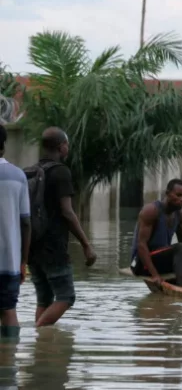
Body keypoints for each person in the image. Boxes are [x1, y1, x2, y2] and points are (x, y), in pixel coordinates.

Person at [26, 127, 97, 327]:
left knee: (44, 299)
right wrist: (86, 245)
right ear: (61, 146)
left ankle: (41, 344)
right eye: (67, 144)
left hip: (32, 245)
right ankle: (39, 330)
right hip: (54, 246)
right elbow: (67, 211)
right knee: (66, 297)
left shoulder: (30, 171)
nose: (68, 148)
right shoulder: (60, 172)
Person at [129, 178, 182, 287]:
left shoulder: (179, 214)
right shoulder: (151, 211)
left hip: (160, 262)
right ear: (168, 194)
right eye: (178, 195)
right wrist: (155, 275)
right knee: (179, 248)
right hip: (142, 264)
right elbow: (141, 245)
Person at [0, 124, 31, 338]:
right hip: (9, 261)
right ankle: (8, 365)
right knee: (9, 310)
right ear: (3, 146)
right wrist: (23, 262)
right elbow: (26, 222)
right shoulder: (18, 176)